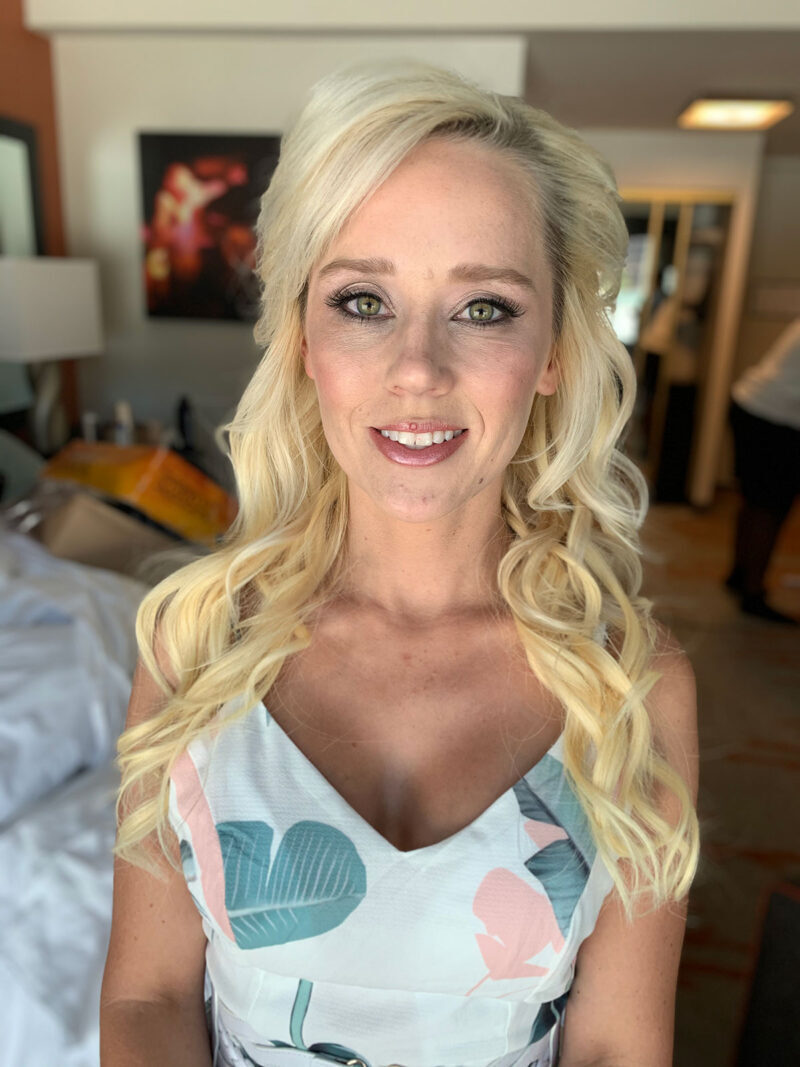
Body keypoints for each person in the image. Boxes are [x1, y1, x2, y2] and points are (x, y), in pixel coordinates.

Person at [100, 60, 700, 1067]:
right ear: (302, 337)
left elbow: (616, 1046)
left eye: (484, 307)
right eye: (362, 300)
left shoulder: (633, 688)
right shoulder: (193, 647)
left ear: (553, 350)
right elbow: (147, 995)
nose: (417, 369)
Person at [725, 317, 800, 625]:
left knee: (756, 500)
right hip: (773, 418)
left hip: (754, 405)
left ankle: (740, 575)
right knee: (769, 507)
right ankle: (752, 592)